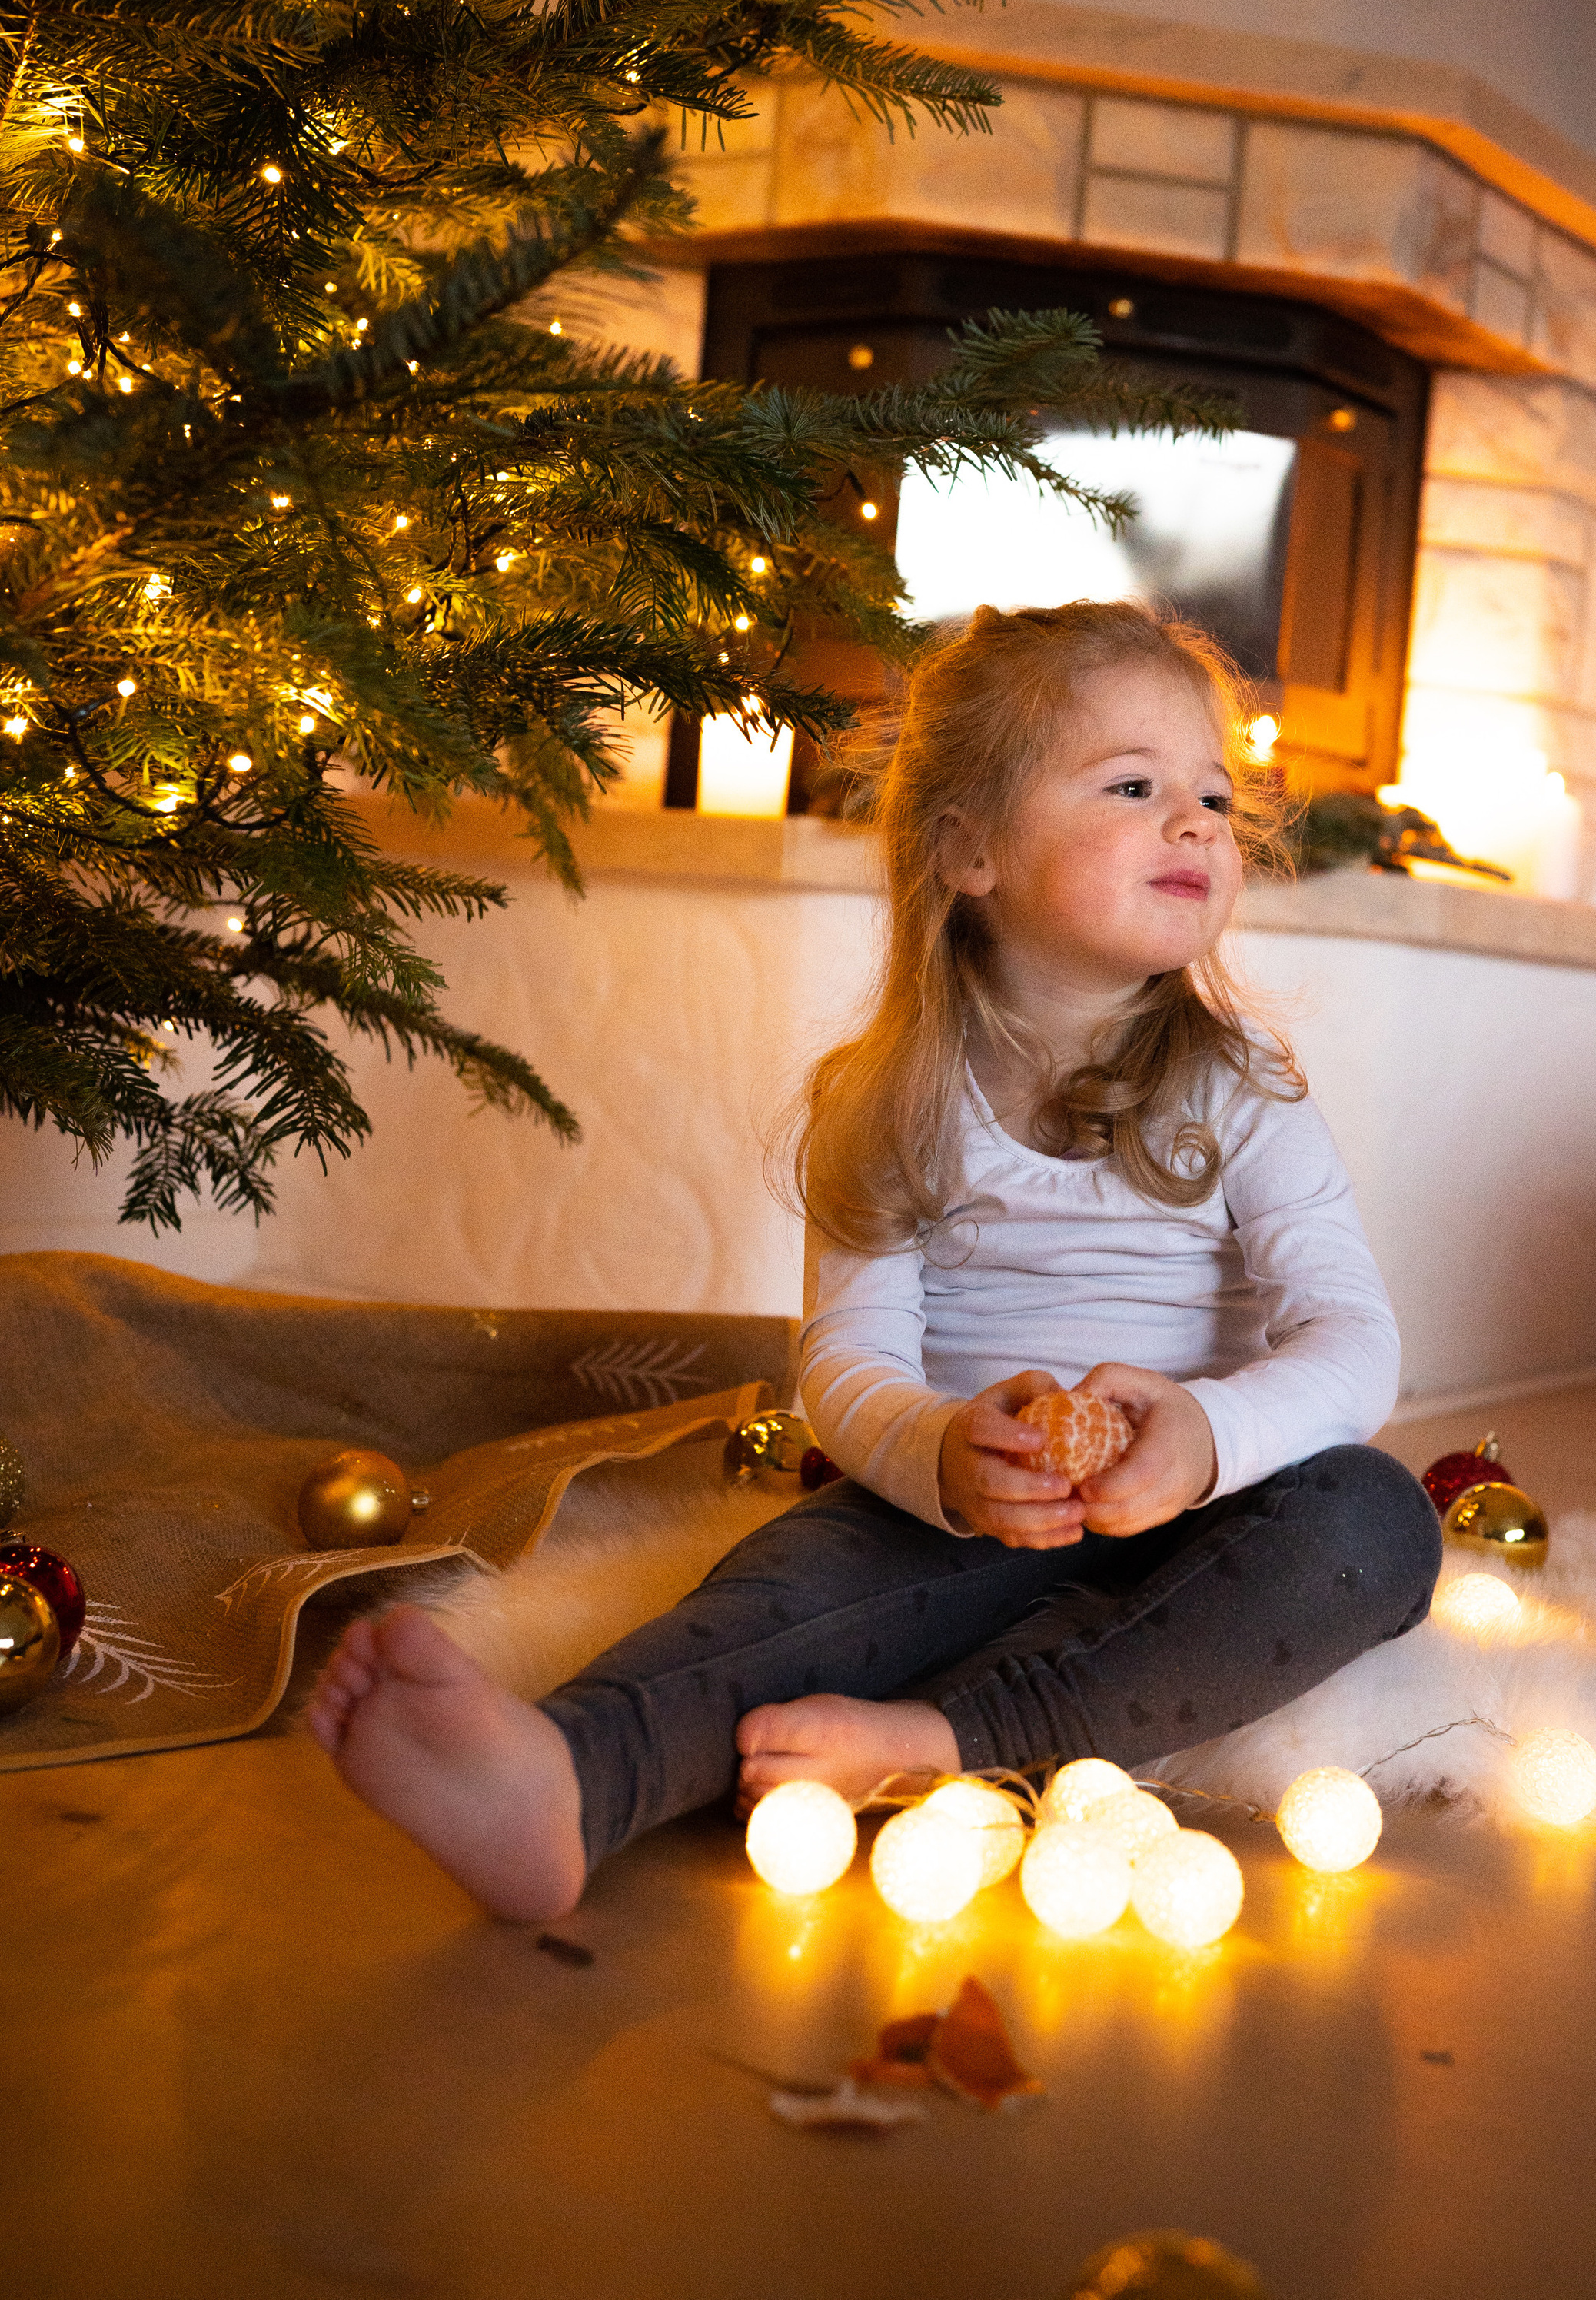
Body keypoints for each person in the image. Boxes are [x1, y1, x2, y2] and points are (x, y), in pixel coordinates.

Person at [308, 600, 1441, 1919]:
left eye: (1212, 795)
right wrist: (944, 1453)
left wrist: (1205, 1433)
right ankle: (568, 1776)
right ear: (969, 850)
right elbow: (847, 1359)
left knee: (1373, 1521)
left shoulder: (1245, 1090)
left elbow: (1356, 1346)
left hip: (1217, 1516)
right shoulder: (890, 1098)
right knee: (790, 1588)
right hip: (967, 1513)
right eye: (1135, 787)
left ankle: (947, 1744)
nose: (1199, 822)